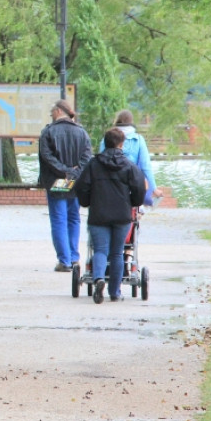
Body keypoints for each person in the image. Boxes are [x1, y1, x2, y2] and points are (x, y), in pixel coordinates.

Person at [74, 127, 147, 303]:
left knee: (100, 250)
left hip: (98, 213)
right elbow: (139, 188)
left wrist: (87, 201)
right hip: (122, 215)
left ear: (105, 143)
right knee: (117, 253)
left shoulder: (93, 164)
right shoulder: (129, 166)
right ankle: (115, 292)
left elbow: (81, 186)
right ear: (122, 144)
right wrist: (134, 202)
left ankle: (99, 278)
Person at [38, 99, 92, 272]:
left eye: (52, 112)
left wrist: (64, 171)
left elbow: (47, 157)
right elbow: (87, 158)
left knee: (59, 219)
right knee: (74, 218)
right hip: (75, 182)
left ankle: (64, 260)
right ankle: (74, 257)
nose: (51, 115)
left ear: (59, 111)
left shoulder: (48, 132)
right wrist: (73, 173)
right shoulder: (82, 133)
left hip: (56, 181)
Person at [99, 110, 163, 204]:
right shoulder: (138, 139)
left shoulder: (106, 139)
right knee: (136, 210)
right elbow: (146, 166)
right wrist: (153, 188)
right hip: (132, 185)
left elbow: (101, 162)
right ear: (131, 121)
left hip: (110, 185)